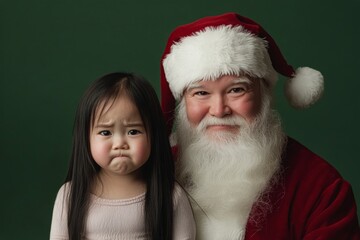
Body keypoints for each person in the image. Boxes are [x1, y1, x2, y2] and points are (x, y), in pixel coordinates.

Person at [160, 12, 360, 239]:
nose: (218, 110)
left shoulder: (321, 188)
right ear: (183, 103)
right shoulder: (154, 174)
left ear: (265, 95)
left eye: (237, 89)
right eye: (201, 93)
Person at [50, 72, 196, 240]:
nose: (120, 143)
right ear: (86, 138)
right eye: (105, 132)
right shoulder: (70, 194)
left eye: (133, 131)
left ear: (153, 135)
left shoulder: (171, 195)